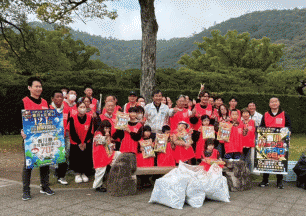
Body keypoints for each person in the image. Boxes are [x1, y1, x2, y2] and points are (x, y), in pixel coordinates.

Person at [20, 77, 54, 201]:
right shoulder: (24, 101)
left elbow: (50, 119)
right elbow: (16, 120)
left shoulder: (45, 102)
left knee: (45, 162)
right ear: (29, 87)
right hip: (29, 139)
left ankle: (45, 187)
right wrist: (21, 131)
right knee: (28, 165)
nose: (39, 88)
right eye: (36, 86)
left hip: (44, 139)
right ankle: (26, 190)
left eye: (40, 86)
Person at [259, 97, 291, 189]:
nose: (274, 103)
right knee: (266, 159)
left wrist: (288, 131)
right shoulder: (265, 115)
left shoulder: (284, 114)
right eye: (272, 102)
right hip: (268, 142)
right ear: (269, 104)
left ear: (279, 103)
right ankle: (265, 180)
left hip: (280, 142)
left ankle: (279, 181)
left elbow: (289, 127)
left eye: (275, 101)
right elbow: (261, 127)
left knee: (279, 160)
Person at [67, 101, 94, 183]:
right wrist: (79, 143)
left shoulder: (90, 117)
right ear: (77, 108)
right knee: (76, 158)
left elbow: (90, 131)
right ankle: (77, 174)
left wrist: (85, 142)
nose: (82, 109)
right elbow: (72, 131)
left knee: (85, 158)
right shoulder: (72, 117)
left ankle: (84, 173)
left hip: (86, 142)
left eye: (84, 107)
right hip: (76, 142)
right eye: (80, 107)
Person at [92, 120, 121, 192]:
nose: (107, 130)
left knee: (119, 154)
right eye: (105, 128)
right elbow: (100, 141)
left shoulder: (106, 135)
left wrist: (112, 145)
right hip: (99, 156)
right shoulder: (97, 133)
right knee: (100, 171)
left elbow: (108, 144)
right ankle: (97, 186)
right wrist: (107, 136)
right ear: (102, 127)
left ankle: (116, 179)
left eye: (108, 128)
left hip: (107, 154)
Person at [49, 90, 70, 185]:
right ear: (52, 99)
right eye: (57, 97)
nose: (59, 98)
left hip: (64, 136)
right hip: (52, 137)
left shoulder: (66, 109)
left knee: (64, 155)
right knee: (52, 156)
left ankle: (61, 176)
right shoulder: (48, 108)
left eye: (61, 97)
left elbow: (69, 121)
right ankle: (51, 174)